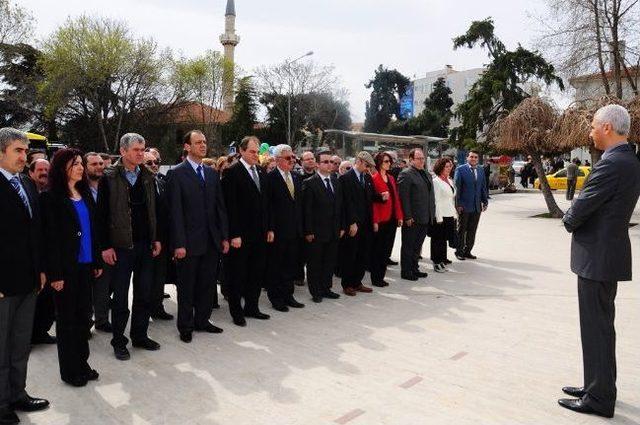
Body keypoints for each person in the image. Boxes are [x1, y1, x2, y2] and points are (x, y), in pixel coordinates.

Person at [559, 105, 640, 419]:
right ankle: (598, 386)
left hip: (597, 257)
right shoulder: (627, 160)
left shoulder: (612, 164)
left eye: (593, 127)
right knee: (601, 327)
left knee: (596, 328)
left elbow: (578, 210)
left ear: (607, 127)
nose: (590, 132)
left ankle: (599, 397)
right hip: (605, 256)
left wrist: (569, 217)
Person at [40, 148, 102, 387]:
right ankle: (70, 370)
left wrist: (96, 260)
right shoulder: (50, 197)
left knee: (83, 318)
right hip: (64, 270)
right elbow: (50, 239)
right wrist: (55, 273)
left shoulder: (84, 193)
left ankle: (82, 364)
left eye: (80, 163)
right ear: (62, 167)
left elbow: (92, 231)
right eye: (75, 163)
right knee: (67, 321)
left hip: (85, 267)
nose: (80, 167)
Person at [97, 133, 162, 361]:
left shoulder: (147, 175)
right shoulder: (109, 177)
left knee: (144, 294)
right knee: (121, 299)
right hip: (121, 247)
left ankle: (140, 336)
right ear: (123, 151)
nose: (140, 154)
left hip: (145, 245)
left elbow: (153, 211)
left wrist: (156, 238)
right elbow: (101, 215)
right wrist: (105, 246)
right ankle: (118, 341)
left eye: (142, 149)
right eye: (136, 150)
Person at [0, 128, 49, 424]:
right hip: (3, 285)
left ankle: (17, 393)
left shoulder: (27, 185)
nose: (24, 156)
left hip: (29, 280)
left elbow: (36, 232)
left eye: (25, 151)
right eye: (18, 150)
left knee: (19, 343)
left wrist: (41, 270)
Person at [167, 130, 229, 342]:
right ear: (187, 146)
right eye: (198, 142)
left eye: (204, 142)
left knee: (207, 284)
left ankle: (203, 320)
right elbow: (174, 212)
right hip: (188, 243)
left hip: (211, 241)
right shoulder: (176, 173)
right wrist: (178, 243)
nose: (203, 146)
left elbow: (220, 208)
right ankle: (185, 325)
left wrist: (224, 237)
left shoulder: (212, 174)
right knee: (187, 286)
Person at [221, 136, 271, 326]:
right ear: (241, 151)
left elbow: (266, 203)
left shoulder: (260, 171)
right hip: (240, 236)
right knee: (238, 275)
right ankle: (237, 312)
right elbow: (229, 207)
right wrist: (234, 234)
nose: (255, 155)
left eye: (257, 152)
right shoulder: (232, 172)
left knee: (256, 273)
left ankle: (252, 307)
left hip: (260, 234)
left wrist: (269, 228)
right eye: (251, 151)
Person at [265, 144, 306, 311]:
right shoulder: (270, 178)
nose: (292, 160)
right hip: (278, 232)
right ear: (278, 160)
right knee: (277, 266)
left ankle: (289, 295)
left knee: (290, 265)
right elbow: (268, 207)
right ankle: (276, 298)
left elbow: (299, 205)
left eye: (293, 157)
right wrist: (270, 229)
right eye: (288, 158)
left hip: (294, 231)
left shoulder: (296, 177)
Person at [302, 150, 344, 302]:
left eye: (331, 162)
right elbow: (307, 210)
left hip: (333, 230)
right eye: (325, 162)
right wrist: (308, 230)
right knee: (315, 264)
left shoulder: (335, 181)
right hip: (317, 232)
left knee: (329, 262)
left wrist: (341, 227)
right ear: (318, 164)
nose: (329, 165)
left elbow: (340, 207)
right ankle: (316, 292)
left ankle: (326, 288)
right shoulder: (309, 183)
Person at [338, 151, 380, 296]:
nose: (368, 168)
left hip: (366, 224)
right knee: (350, 254)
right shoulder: (345, 179)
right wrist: (351, 222)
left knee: (363, 254)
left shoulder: (367, 177)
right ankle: (347, 284)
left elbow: (371, 198)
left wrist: (382, 197)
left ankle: (357, 282)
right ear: (360, 161)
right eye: (367, 165)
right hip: (354, 224)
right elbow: (346, 203)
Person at [27, 158, 56, 345]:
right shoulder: (25, 191)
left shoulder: (50, 193)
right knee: (31, 300)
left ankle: (40, 332)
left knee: (47, 299)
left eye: (47, 169)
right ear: (31, 172)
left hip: (49, 254)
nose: (44, 172)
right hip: (30, 256)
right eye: (40, 169)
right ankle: (26, 338)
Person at [143, 151, 173, 322]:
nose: (154, 165)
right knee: (146, 278)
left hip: (163, 239)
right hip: (147, 240)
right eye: (150, 163)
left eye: (157, 162)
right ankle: (145, 310)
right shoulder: (139, 184)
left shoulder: (161, 182)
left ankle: (157, 307)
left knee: (159, 276)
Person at [83, 152, 112, 333]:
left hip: (104, 244)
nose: (99, 167)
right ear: (85, 167)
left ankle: (102, 320)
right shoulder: (78, 188)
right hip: (85, 245)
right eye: (94, 164)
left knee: (103, 285)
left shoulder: (108, 186)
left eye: (101, 163)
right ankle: (86, 323)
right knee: (85, 287)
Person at [397, 148, 435, 281]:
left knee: (417, 245)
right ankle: (406, 271)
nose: (421, 161)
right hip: (412, 218)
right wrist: (407, 216)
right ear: (411, 160)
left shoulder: (426, 173)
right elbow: (403, 197)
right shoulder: (406, 174)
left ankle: (414, 268)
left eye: (423, 158)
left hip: (425, 217)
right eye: (418, 158)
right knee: (408, 245)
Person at [370, 152, 403, 287]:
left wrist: (399, 216)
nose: (389, 163)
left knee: (386, 250)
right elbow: (373, 203)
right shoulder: (374, 178)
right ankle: (376, 278)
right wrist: (375, 221)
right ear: (379, 163)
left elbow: (396, 199)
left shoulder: (391, 178)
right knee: (378, 250)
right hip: (381, 220)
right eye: (385, 161)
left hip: (391, 219)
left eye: (389, 161)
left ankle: (381, 276)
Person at [454, 150, 488, 261]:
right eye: (471, 157)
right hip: (464, 206)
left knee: (472, 230)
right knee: (462, 229)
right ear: (467, 158)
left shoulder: (481, 170)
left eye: (475, 157)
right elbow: (457, 189)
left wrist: (485, 201)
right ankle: (459, 251)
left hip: (476, 206)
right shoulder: (460, 169)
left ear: (478, 159)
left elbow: (483, 187)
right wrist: (457, 204)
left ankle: (468, 251)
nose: (473, 159)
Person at [431, 157, 458, 272]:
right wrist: (438, 217)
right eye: (446, 166)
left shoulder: (449, 180)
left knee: (444, 240)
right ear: (440, 167)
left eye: (450, 166)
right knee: (437, 240)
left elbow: (451, 199)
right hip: (440, 215)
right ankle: (436, 262)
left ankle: (441, 260)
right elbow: (435, 201)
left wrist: (455, 213)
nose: (449, 168)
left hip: (449, 214)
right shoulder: (436, 181)